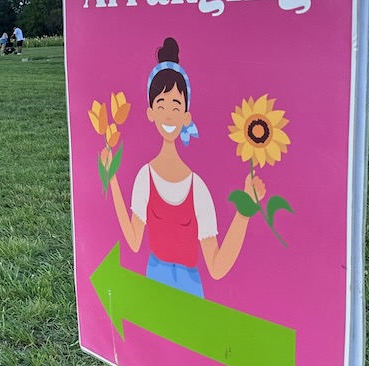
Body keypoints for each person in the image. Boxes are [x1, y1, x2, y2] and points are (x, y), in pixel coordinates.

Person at [103, 36, 266, 298]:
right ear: (151, 112)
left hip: (191, 288)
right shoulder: (145, 177)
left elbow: (216, 266)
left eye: (176, 106)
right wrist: (111, 179)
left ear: (186, 115)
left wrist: (244, 212)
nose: (169, 114)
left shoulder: (197, 188)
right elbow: (134, 241)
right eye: (162, 105)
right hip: (154, 278)